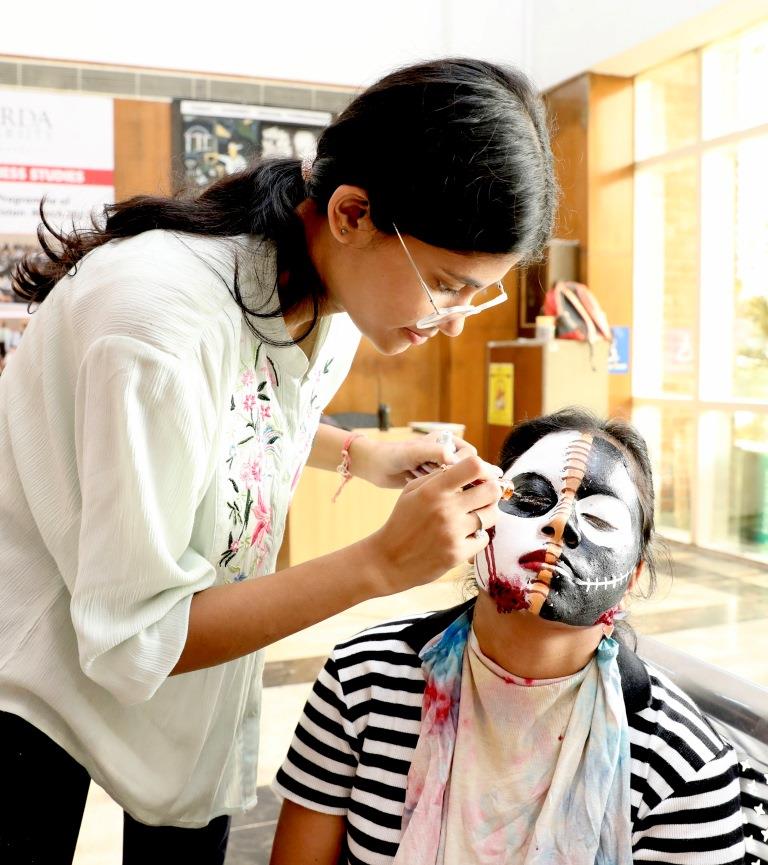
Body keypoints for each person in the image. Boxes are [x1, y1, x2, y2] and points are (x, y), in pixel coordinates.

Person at [0, 58, 556, 864]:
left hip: (182, 668)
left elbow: (230, 414)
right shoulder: (156, 328)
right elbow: (131, 635)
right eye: (445, 284)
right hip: (35, 669)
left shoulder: (319, 285)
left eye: (480, 294)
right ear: (353, 212)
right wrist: (379, 562)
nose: (455, 321)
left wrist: (358, 452)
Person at [272, 408, 745, 865]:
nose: (559, 524)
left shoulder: (682, 763)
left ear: (634, 575)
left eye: (599, 519)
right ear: (481, 518)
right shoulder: (362, 678)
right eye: (534, 499)